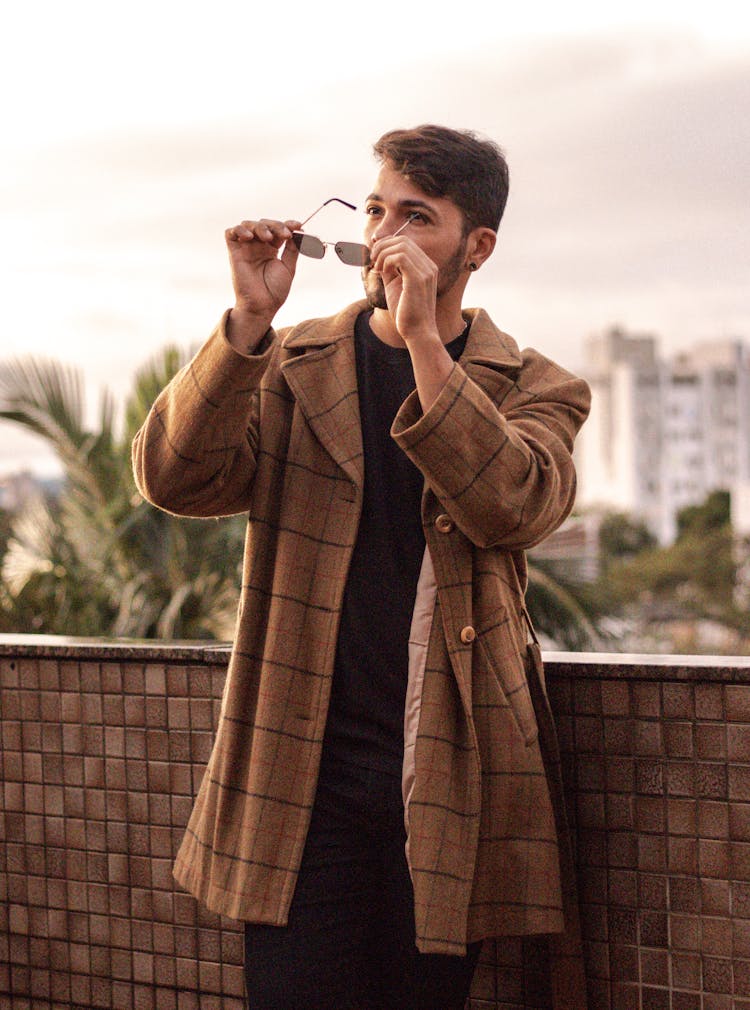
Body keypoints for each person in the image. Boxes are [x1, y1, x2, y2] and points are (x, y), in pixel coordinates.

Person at [132, 124, 591, 1010]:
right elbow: (173, 479)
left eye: (415, 217)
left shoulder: (537, 385)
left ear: (477, 246)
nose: (384, 237)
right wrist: (249, 324)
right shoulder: (293, 363)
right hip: (297, 785)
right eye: (376, 209)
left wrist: (424, 346)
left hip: (448, 782)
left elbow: (516, 504)